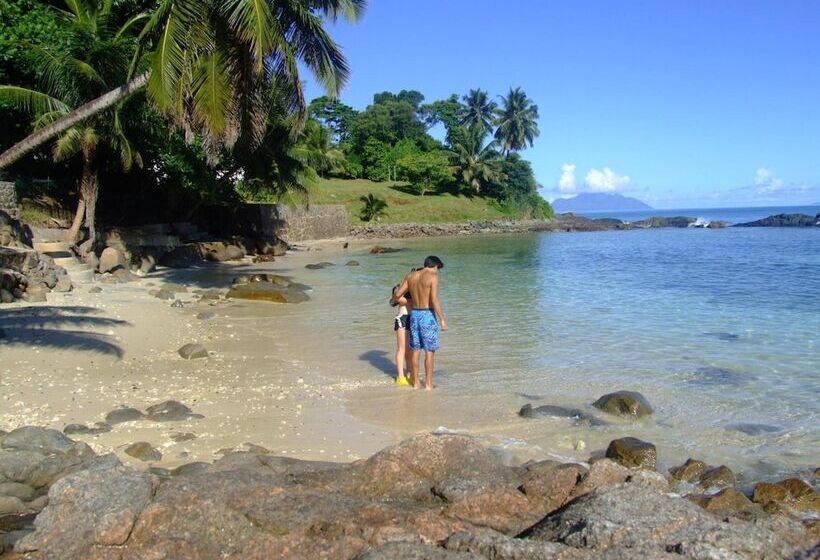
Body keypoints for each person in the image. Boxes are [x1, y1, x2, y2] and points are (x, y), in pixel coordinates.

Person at [393, 256, 448, 390]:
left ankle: (416, 383)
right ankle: (428, 384)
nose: (437, 272)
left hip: (414, 315)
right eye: (437, 269)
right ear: (434, 266)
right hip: (427, 315)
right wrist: (442, 319)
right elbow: (434, 299)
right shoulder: (432, 276)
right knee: (429, 351)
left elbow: (397, 295)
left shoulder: (410, 276)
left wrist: (410, 302)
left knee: (416, 350)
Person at [389, 282, 412, 386]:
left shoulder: (412, 289)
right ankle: (400, 376)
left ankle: (409, 372)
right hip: (402, 318)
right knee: (401, 348)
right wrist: (413, 301)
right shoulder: (399, 288)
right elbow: (396, 299)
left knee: (409, 349)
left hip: (412, 318)